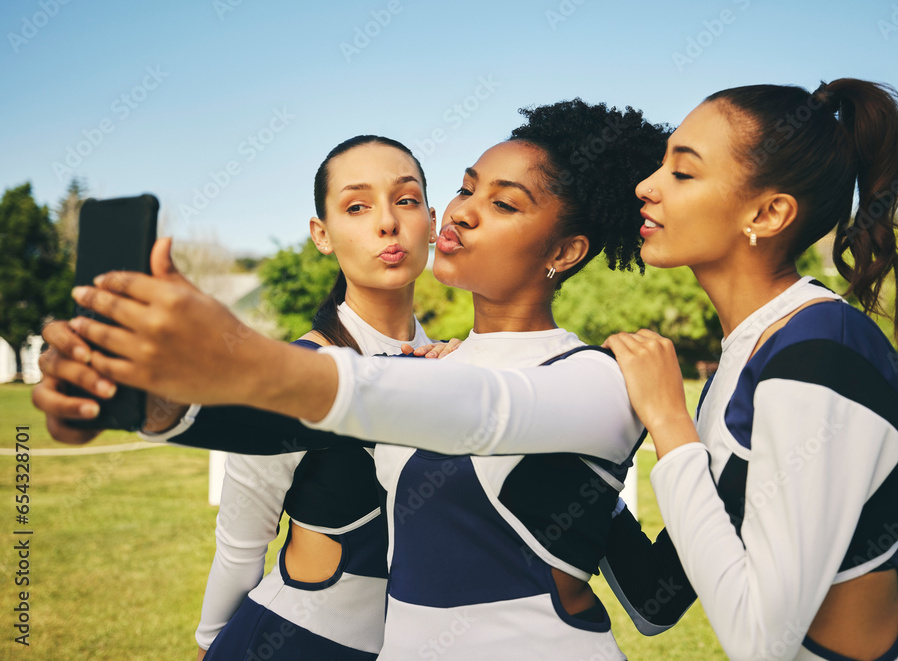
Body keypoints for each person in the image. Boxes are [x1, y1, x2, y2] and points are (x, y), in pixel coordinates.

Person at [39, 99, 670, 659]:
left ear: (564, 252)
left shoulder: (595, 377)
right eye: (465, 188)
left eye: (502, 203)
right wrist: (143, 403)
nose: (462, 214)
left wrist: (233, 357)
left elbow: (477, 408)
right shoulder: (428, 369)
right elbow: (297, 425)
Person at [37, 135, 440, 660]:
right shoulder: (291, 374)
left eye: (405, 200)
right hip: (293, 642)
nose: (387, 222)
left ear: (432, 221)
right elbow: (241, 545)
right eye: (357, 206)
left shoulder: (455, 366)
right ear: (322, 234)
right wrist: (211, 644)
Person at [602, 79, 898, 660]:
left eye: (682, 173)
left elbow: (762, 642)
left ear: (769, 212)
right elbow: (655, 596)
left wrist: (669, 424)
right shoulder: (748, 353)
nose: (646, 187)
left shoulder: (821, 355)